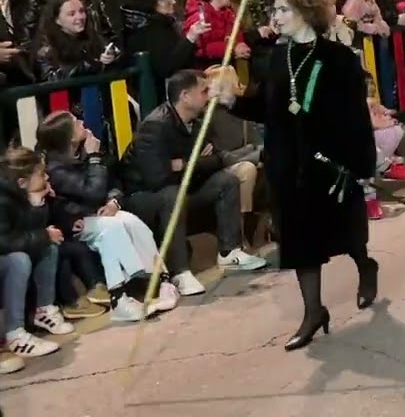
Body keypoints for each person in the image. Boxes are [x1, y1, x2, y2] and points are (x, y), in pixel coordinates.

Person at [209, 0, 378, 351]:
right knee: (301, 242)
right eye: (274, 9)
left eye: (284, 9)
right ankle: (313, 311)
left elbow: (355, 116)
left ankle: (365, 266)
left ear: (305, 12)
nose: (276, 16)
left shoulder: (338, 58)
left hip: (330, 163)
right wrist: (230, 100)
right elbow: (265, 108)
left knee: (347, 232)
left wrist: (360, 163)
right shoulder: (274, 58)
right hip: (289, 163)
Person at [121, 69, 267, 297]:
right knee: (172, 193)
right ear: (185, 96)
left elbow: (217, 159)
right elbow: (157, 178)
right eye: (204, 91)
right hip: (143, 197)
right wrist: (198, 161)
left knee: (226, 180)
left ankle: (229, 252)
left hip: (180, 185)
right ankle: (180, 273)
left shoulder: (198, 121)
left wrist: (187, 163)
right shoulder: (155, 125)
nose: (209, 95)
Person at [36, 111, 178, 322]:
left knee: (129, 220)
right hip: (75, 224)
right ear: (69, 138)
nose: (82, 122)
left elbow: (113, 184)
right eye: (76, 123)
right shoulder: (56, 169)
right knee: (111, 229)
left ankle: (163, 279)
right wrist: (94, 158)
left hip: (99, 215)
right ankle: (118, 298)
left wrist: (113, 202)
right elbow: (93, 191)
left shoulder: (84, 152)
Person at [0, 147, 75, 358]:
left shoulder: (17, 193)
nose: (47, 177)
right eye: (41, 174)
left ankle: (44, 310)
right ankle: (15, 334)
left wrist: (37, 203)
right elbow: (4, 241)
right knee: (20, 260)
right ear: (22, 182)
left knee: (48, 244)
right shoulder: (2, 199)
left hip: (8, 248)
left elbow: (27, 231)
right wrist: (42, 232)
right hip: (5, 254)